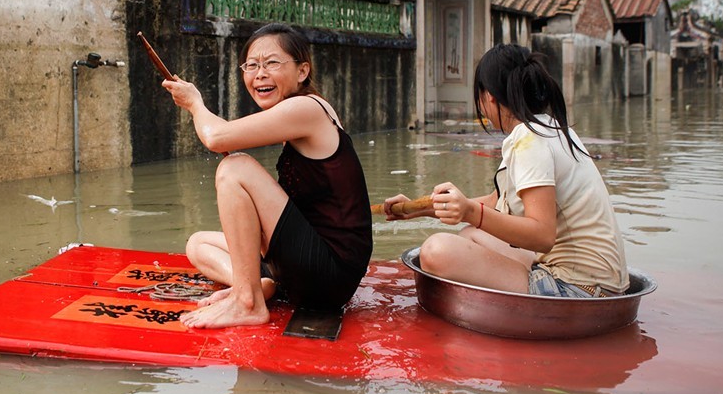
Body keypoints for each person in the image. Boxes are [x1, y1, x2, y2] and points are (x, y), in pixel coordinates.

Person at [161, 23, 373, 328]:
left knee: (235, 167)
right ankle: (258, 284)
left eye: (272, 63)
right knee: (198, 244)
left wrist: (195, 103)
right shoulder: (293, 113)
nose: (259, 73)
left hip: (328, 277)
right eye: (251, 65)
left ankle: (247, 302)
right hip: (301, 267)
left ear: (302, 71)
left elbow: (218, 137)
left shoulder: (307, 109)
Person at [384, 43, 629, 298]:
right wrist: (414, 208)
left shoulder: (530, 140)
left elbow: (543, 236)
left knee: (436, 250)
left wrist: (469, 211)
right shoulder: (546, 128)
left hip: (578, 290)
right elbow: (494, 202)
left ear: (488, 95)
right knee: (472, 234)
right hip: (601, 285)